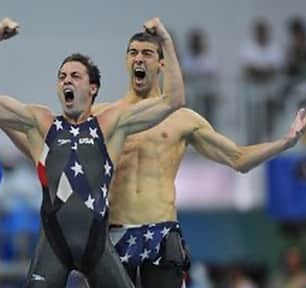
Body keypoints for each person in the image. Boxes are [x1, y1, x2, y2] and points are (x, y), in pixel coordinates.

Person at [2, 18, 306, 288]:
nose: (139, 59)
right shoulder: (101, 118)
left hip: (161, 231)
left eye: (147, 54)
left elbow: (238, 159)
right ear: (126, 61)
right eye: (133, 53)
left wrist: (285, 143)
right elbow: (46, 152)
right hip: (112, 234)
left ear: (161, 62)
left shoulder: (182, 119)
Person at [0, 17, 184, 287]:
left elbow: (174, 100)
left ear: (93, 88)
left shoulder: (111, 125)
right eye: (62, 76)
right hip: (53, 245)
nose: (67, 81)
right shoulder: (41, 122)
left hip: (97, 248)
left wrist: (165, 40)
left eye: (75, 76)